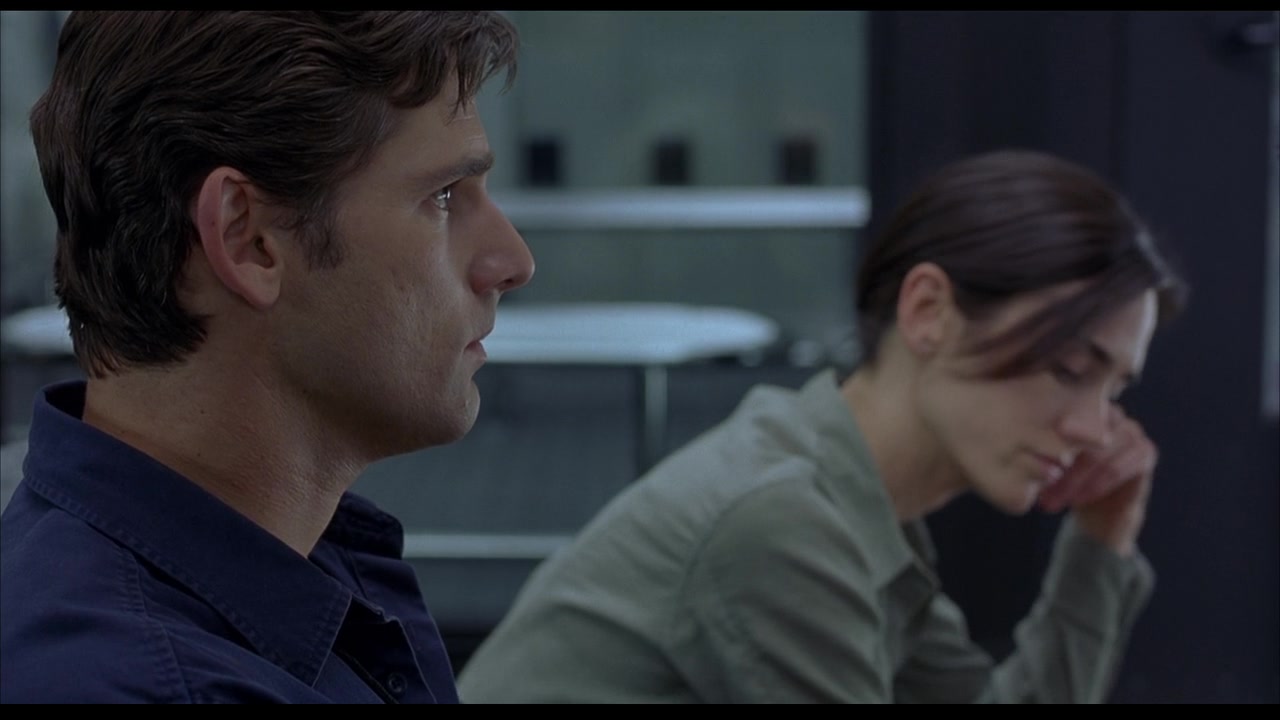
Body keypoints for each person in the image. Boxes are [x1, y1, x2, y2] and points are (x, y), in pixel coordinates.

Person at [457, 149, 1187, 703]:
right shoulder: (783, 521)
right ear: (928, 311)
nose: (1097, 428)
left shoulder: (850, 505)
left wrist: (1102, 540)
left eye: (1115, 389)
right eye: (1069, 368)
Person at [0, 11, 534, 704]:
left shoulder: (301, 560)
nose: (512, 261)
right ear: (247, 239)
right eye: (441, 196)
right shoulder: (134, 681)